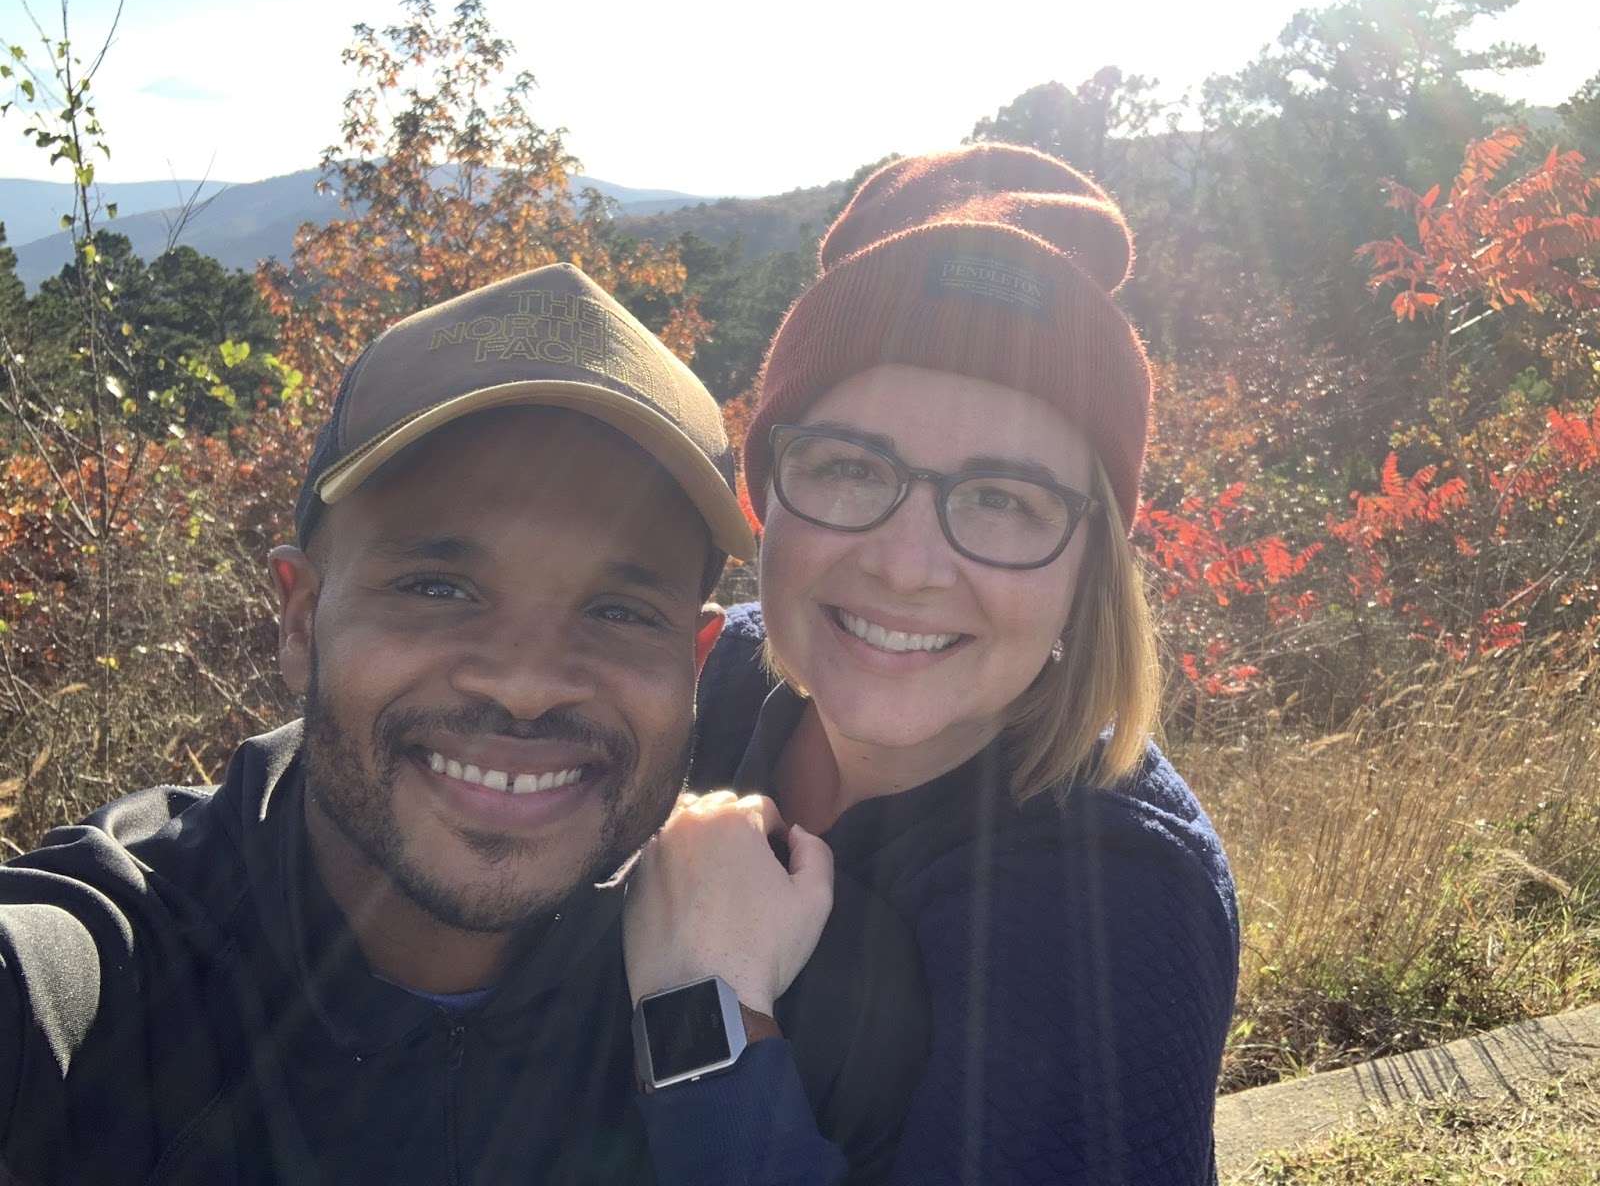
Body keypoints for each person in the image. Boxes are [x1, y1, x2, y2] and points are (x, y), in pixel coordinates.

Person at [0, 263, 925, 1184]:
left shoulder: (817, 997)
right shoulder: (102, 972)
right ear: (300, 621)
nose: (526, 684)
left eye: (618, 611)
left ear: (693, 659)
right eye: (437, 588)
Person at [623, 145, 1241, 1184]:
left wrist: (701, 1011)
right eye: (851, 468)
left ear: (1088, 565)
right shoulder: (712, 685)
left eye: (1002, 497)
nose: (907, 568)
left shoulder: (1115, 895)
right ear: (768, 495)